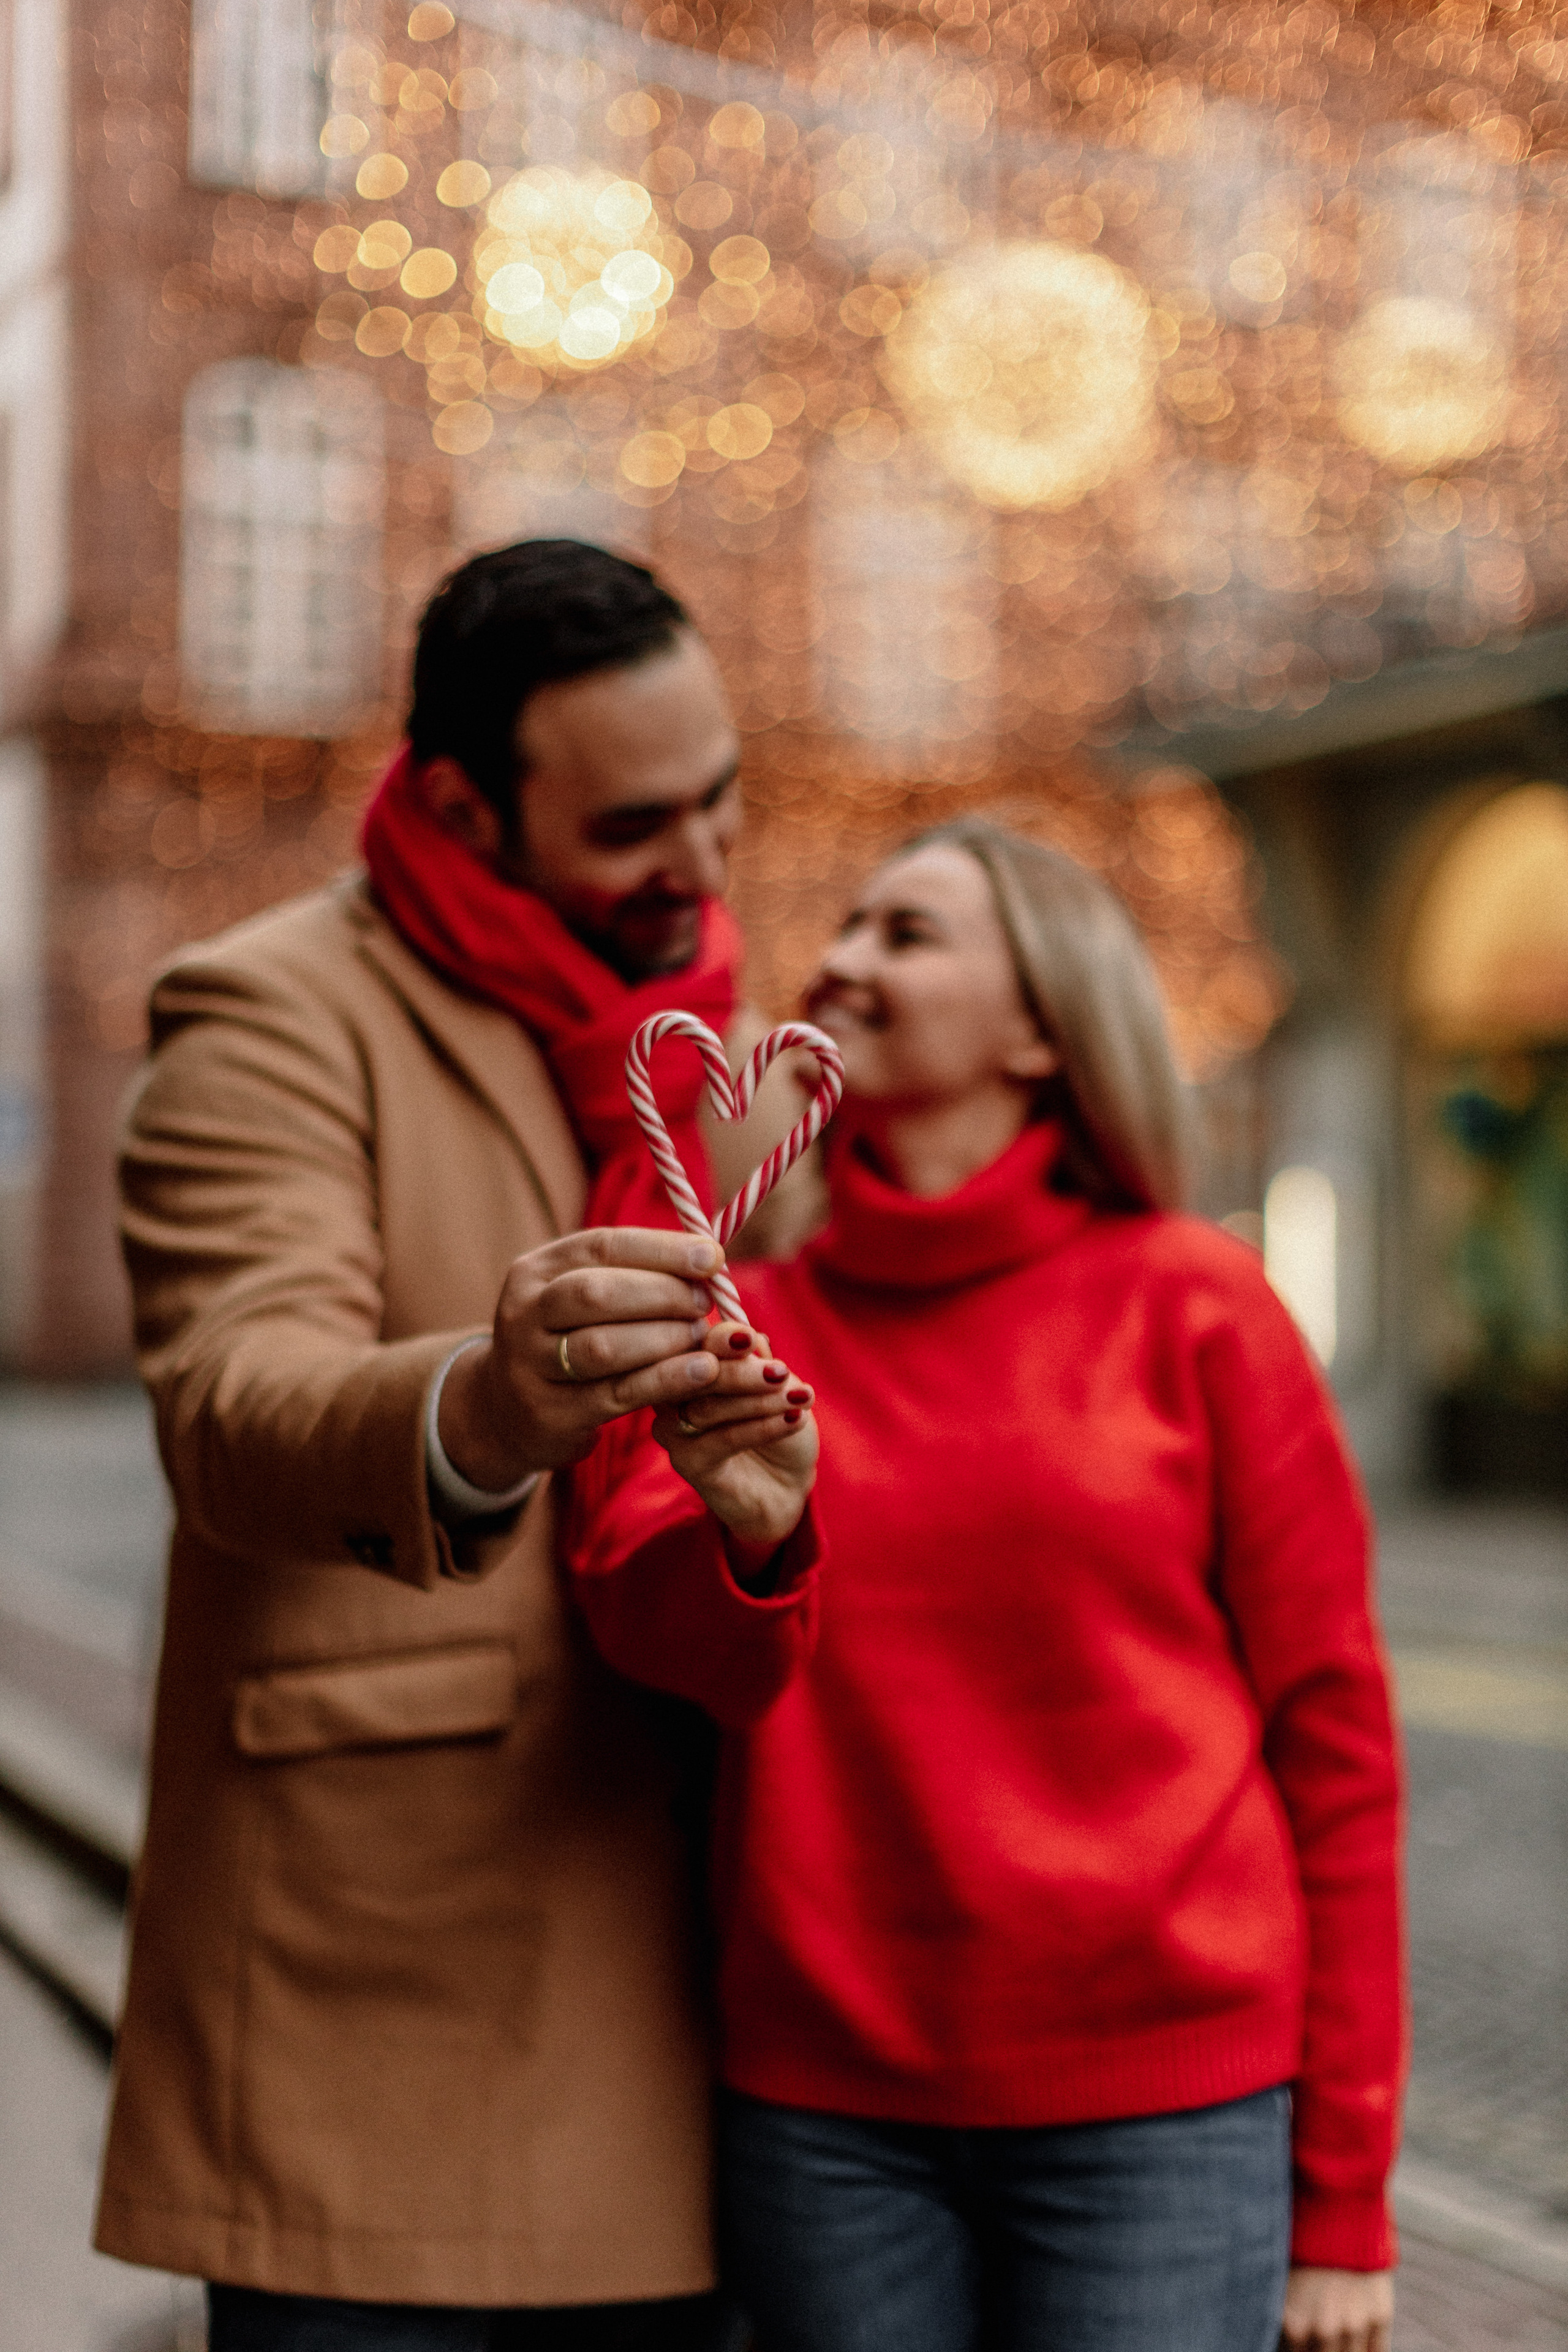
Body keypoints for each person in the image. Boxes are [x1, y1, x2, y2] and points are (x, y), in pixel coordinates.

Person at [95, 541, 813, 2351]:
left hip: (711, 1973)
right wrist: (485, 1407)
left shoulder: (714, 1052)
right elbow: (231, 1409)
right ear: (457, 805)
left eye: (724, 800)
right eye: (642, 823)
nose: (706, 865)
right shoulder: (265, 1010)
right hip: (380, 1998)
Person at [565, 818, 1406, 2352]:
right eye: (848, 924)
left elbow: (1332, 1744)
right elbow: (639, 1632)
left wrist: (1343, 2198)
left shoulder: (1196, 1305)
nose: (842, 958)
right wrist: (754, 1537)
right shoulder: (734, 1325)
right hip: (826, 2114)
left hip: (1164, 2113)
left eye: (910, 932)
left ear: (1039, 1025)